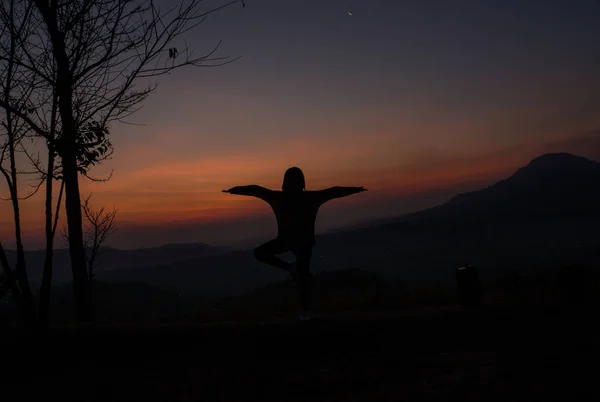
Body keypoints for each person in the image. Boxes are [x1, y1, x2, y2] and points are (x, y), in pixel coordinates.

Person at [223, 167, 367, 321]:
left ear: (284, 182)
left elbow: (256, 190)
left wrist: (233, 190)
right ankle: (304, 312)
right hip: (303, 243)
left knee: (263, 255)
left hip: (287, 241)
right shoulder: (309, 198)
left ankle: (299, 295)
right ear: (302, 182)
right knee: (303, 278)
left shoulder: (279, 197)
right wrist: (356, 190)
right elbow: (333, 191)